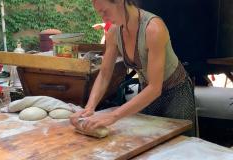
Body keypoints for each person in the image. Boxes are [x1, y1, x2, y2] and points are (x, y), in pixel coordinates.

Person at [70, 0, 195, 136]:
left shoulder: (153, 29)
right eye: (100, 13)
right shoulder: (113, 32)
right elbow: (105, 74)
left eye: (105, 11)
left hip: (177, 93)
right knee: (149, 141)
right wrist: (89, 108)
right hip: (147, 93)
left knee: (178, 147)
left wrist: (113, 115)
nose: (103, 18)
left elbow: (154, 88)